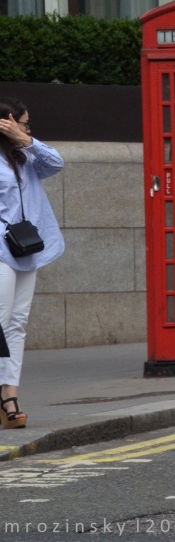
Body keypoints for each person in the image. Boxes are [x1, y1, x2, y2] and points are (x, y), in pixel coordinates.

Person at [0, 97, 65, 430]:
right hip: (1, 247)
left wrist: (25, 140)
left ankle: (9, 396)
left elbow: (56, 163)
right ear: (6, 122)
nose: (29, 129)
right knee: (1, 318)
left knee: (18, 322)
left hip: (27, 245)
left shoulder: (25, 155)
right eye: (24, 123)